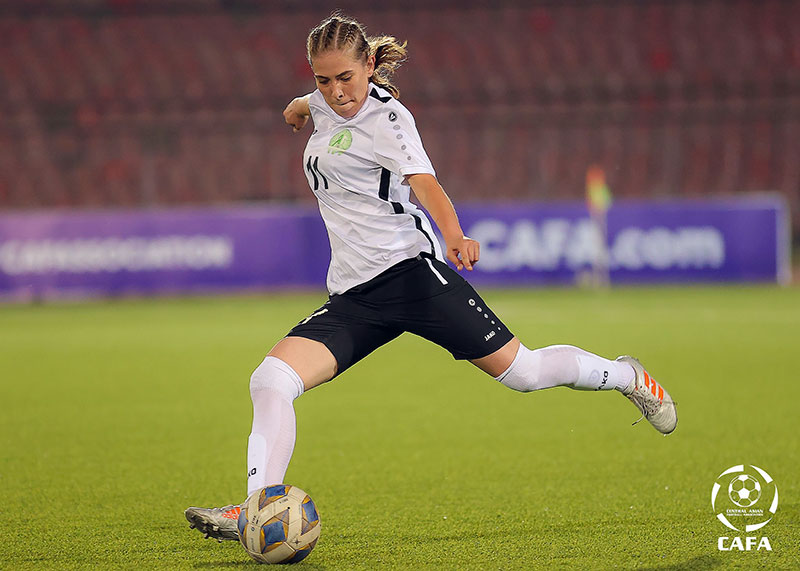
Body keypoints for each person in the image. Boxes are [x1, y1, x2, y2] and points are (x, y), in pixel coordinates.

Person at [185, 13, 677, 541]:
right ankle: (257, 506)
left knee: (524, 373)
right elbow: (309, 103)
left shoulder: (389, 119)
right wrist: (299, 107)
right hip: (354, 296)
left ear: (368, 64)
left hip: (412, 278)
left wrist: (456, 234)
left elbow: (425, 183)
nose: (336, 91)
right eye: (322, 80)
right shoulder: (325, 103)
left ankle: (628, 377)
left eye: (345, 78)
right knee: (270, 380)